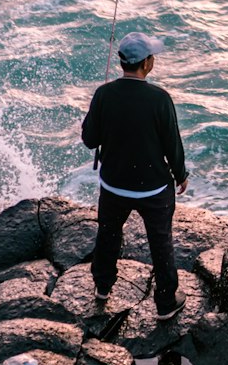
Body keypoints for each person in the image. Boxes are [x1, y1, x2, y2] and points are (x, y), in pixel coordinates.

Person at [81, 30, 189, 319]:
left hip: (114, 185)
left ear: (121, 63)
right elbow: (172, 144)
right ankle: (166, 302)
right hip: (153, 189)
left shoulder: (104, 94)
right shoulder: (160, 98)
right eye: (151, 56)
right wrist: (181, 174)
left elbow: (90, 139)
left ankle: (103, 286)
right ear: (146, 64)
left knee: (108, 234)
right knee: (161, 241)